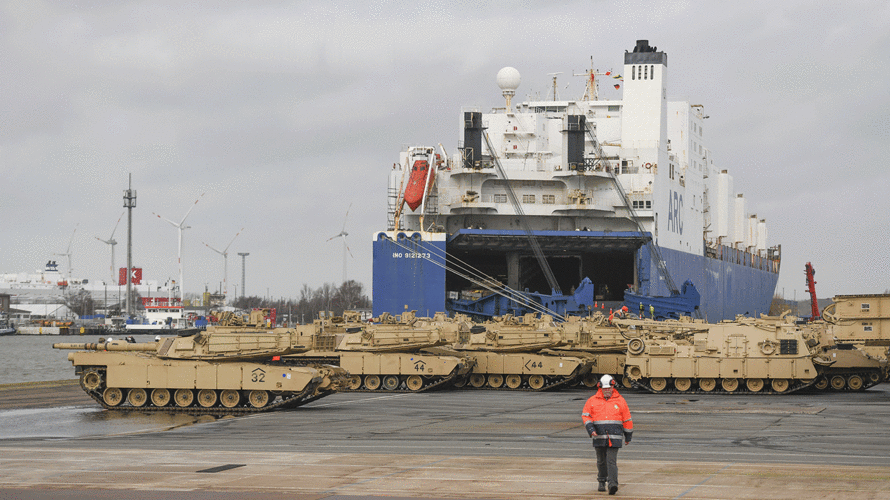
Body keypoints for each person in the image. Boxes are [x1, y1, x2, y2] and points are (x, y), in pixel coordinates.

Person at [582, 374, 633, 495]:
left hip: (615, 437)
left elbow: (627, 419)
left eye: (609, 388)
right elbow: (586, 415)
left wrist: (628, 436)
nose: (607, 391)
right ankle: (601, 480)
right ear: (600, 388)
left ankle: (613, 484)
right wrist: (590, 429)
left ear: (613, 387)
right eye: (604, 389)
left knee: (611, 461)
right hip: (598, 436)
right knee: (601, 461)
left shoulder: (620, 401)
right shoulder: (592, 401)